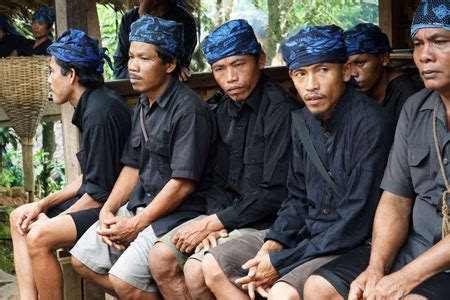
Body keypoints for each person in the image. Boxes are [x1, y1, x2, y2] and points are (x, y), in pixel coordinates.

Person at [202, 24, 396, 300]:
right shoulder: (302, 120)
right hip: (306, 233)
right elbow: (296, 197)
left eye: (322, 70)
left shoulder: (372, 123)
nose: (311, 85)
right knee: (212, 266)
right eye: (300, 74)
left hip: (349, 244)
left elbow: (355, 220)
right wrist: (274, 242)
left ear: (345, 70)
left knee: (283, 293)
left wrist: (283, 261)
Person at [306, 1, 450, 299]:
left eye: (441, 42)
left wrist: (405, 279)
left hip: (441, 264)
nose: (425, 56)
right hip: (415, 247)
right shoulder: (416, 107)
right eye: (418, 44)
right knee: (319, 288)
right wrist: (376, 267)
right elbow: (396, 199)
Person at [148, 19, 301, 299]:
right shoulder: (222, 110)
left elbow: (276, 192)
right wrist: (212, 221)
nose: (230, 77)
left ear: (260, 60)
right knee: (161, 257)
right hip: (227, 217)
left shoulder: (281, 111)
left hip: (266, 222)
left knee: (197, 271)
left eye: (239, 64)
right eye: (219, 68)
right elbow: (217, 178)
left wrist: (217, 222)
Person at [70, 15, 216, 300]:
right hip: (142, 202)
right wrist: (107, 210)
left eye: (145, 59)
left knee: (124, 282)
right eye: (131, 57)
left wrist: (137, 225)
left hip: (181, 211)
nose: (133, 67)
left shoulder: (188, 110)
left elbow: (183, 183)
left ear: (170, 64)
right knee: (82, 260)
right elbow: (132, 165)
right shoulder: (142, 106)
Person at [9, 29, 132, 300]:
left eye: (52, 72)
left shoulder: (101, 113)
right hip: (97, 198)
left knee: (39, 235)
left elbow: (98, 194)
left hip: (115, 208)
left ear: (72, 75)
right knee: (19, 217)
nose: (49, 80)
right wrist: (42, 206)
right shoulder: (92, 106)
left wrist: (57, 219)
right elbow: (89, 176)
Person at [344, 22, 422, 121]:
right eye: (348, 66)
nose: (353, 73)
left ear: (384, 58)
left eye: (360, 63)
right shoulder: (355, 90)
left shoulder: (408, 95)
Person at [113, 0, 197, 80]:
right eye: (131, 57)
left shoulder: (185, 21)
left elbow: (177, 69)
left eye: (144, 59)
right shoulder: (129, 18)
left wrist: (143, 16)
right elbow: (119, 69)